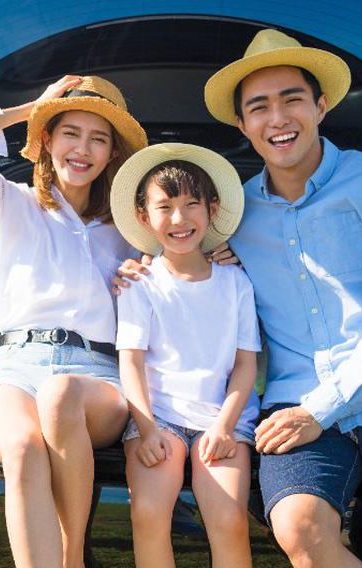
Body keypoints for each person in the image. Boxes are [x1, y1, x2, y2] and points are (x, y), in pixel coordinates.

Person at [117, 29, 362, 567]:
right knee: (299, 531)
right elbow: (181, 253)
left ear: (321, 105)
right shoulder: (231, 219)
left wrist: (319, 411)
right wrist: (140, 265)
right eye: (258, 107)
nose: (277, 119)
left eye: (292, 100)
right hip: (294, 396)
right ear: (242, 125)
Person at [0, 75, 147, 568]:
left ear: (112, 154)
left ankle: (73, 556)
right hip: (14, 367)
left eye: (99, 139)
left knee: (60, 395)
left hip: (96, 377)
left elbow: (187, 259)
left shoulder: (131, 227)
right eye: (70, 132)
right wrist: (34, 106)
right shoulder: (9, 201)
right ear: (47, 139)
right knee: (24, 447)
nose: (83, 149)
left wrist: (211, 255)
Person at [109, 143, 260, 568]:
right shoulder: (140, 283)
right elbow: (131, 362)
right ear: (144, 217)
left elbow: (246, 365)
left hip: (223, 418)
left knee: (229, 519)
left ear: (212, 209)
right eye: (165, 206)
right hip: (160, 419)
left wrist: (225, 427)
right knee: (149, 513)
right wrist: (147, 427)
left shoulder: (236, 284)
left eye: (192, 204)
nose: (179, 219)